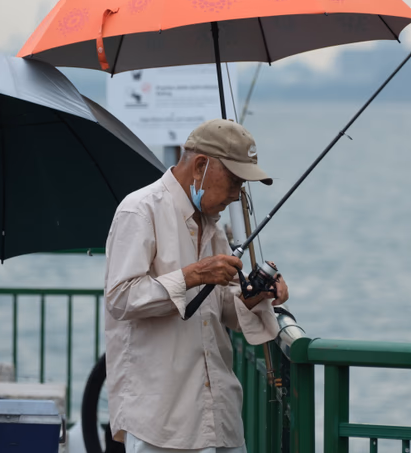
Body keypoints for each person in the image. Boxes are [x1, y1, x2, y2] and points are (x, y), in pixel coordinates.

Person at [104, 118, 289, 452]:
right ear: (201, 165)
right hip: (161, 422)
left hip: (220, 416)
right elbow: (120, 299)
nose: (237, 195)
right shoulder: (140, 209)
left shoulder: (213, 226)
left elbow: (219, 309)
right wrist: (194, 275)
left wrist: (257, 295)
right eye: (234, 181)